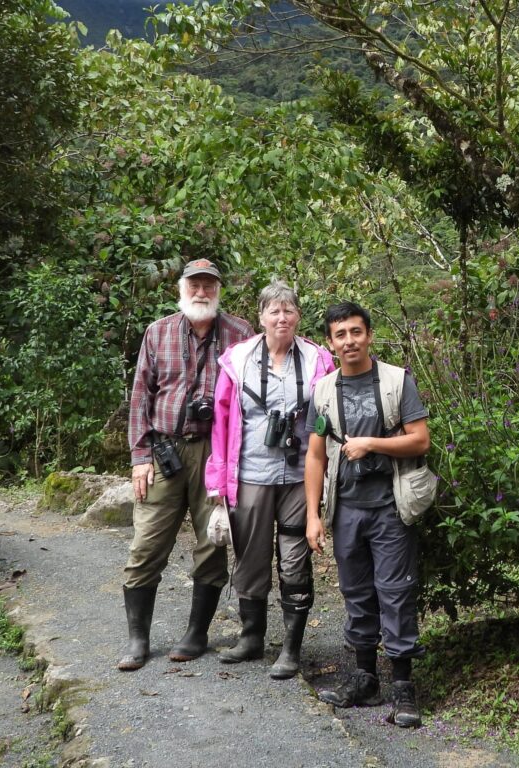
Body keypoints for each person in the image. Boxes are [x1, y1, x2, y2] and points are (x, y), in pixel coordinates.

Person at [121, 258, 254, 671]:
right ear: (181, 289)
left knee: (212, 542)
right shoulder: (157, 332)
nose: (201, 292)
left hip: (215, 455)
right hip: (164, 451)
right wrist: (140, 456)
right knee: (146, 545)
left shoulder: (240, 334)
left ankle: (196, 634)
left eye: (209, 286)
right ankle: (138, 640)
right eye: (194, 285)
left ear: (218, 291)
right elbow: (141, 395)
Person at [305, 301, 431, 728]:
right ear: (330, 342)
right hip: (345, 509)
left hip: (391, 508)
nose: (349, 341)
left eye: (356, 332)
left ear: (369, 335)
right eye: (340, 335)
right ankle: (364, 679)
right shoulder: (323, 391)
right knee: (356, 593)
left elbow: (420, 441)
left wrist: (371, 444)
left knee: (395, 592)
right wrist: (312, 516)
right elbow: (316, 457)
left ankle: (402, 687)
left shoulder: (397, 381)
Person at [205, 281, 335, 679]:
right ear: (260, 317)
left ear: (299, 316)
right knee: (250, 556)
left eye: (289, 310)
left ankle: (291, 649)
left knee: (295, 559)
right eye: (274, 311)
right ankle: (251, 637)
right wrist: (217, 481)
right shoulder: (237, 359)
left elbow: (331, 412)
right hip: (251, 475)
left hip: (300, 476)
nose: (282, 318)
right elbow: (222, 421)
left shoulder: (318, 359)